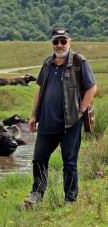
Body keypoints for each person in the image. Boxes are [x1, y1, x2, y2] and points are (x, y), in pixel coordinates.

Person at [22, 28, 97, 207]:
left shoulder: (79, 61)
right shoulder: (47, 63)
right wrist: (33, 115)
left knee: (69, 162)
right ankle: (36, 194)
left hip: (70, 122)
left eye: (63, 41)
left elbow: (91, 87)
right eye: (56, 42)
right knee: (39, 159)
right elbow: (39, 89)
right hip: (47, 121)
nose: (60, 45)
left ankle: (70, 200)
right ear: (52, 43)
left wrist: (81, 109)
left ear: (69, 42)